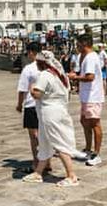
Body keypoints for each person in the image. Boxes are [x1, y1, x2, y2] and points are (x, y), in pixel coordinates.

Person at [22, 51, 79, 187]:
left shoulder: (45, 75)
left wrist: (31, 89)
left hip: (50, 112)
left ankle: (71, 175)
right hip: (58, 111)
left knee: (58, 142)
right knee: (45, 142)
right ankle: (38, 172)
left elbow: (37, 94)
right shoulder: (60, 75)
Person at [71, 37, 105, 166]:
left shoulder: (90, 58)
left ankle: (96, 153)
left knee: (94, 123)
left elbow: (90, 77)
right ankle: (88, 149)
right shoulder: (86, 57)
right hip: (87, 96)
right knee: (85, 121)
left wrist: (76, 77)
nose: (76, 46)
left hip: (93, 96)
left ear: (84, 44)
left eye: (78, 44)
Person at [16, 42, 46, 173]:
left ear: (31, 52)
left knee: (34, 136)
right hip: (45, 104)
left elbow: (22, 89)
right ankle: (47, 162)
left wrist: (19, 104)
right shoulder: (47, 66)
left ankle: (36, 163)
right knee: (44, 134)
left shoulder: (28, 69)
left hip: (31, 104)